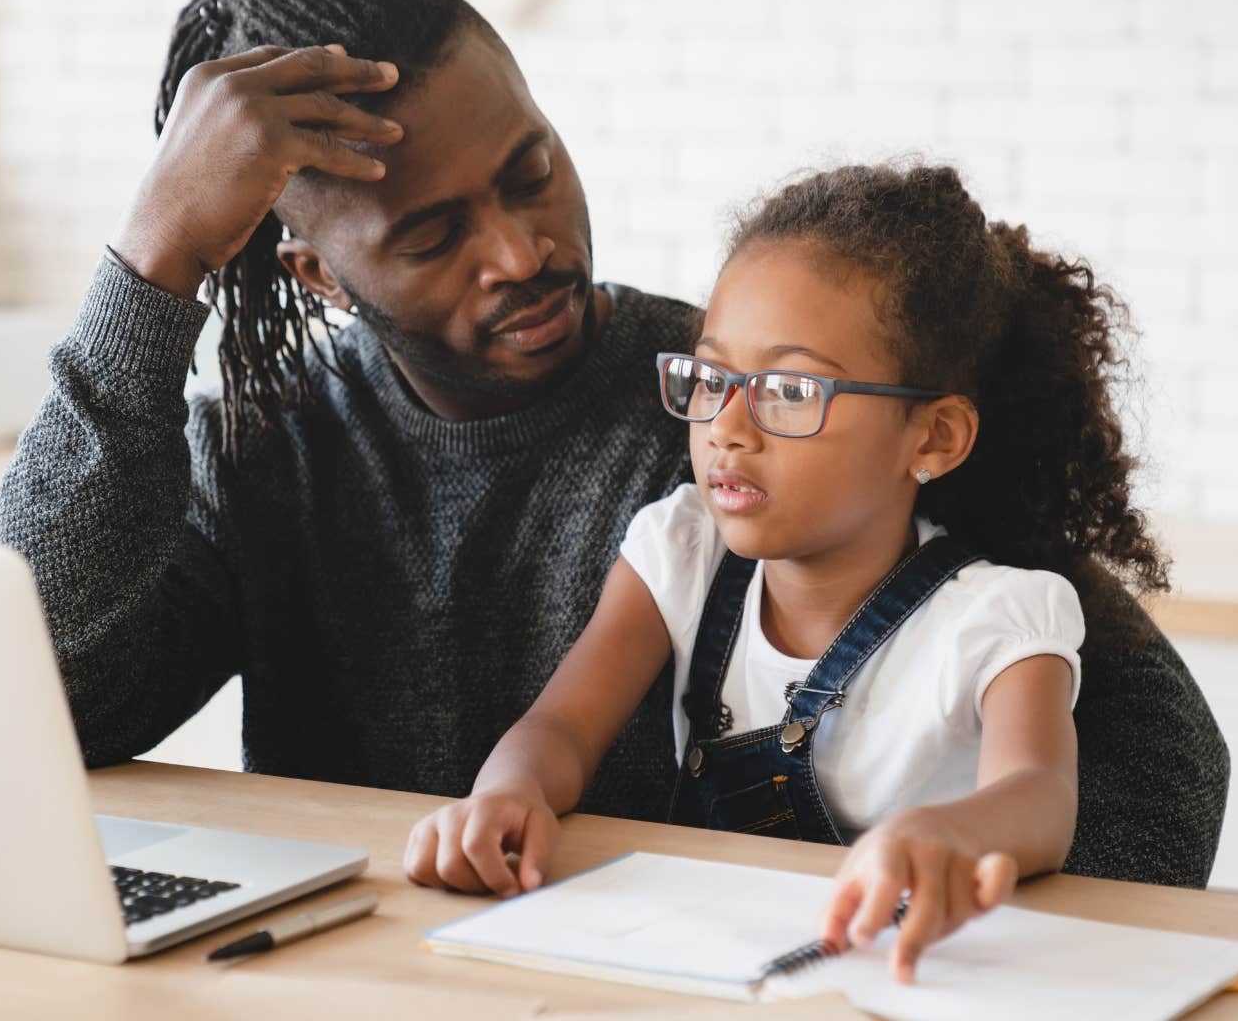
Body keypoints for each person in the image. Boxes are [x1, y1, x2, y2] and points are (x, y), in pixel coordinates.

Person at [0, 0, 1229, 888]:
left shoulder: (762, 413)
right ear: (316, 275)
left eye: (530, 171)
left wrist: (915, 886)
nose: (523, 251)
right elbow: (41, 704)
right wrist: (153, 268)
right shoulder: (268, 450)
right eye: (431, 235)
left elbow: (1162, 745)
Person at [404, 161, 1173, 981]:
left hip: (907, 975)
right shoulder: (682, 549)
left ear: (934, 438)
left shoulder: (999, 617)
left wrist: (948, 833)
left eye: (790, 389)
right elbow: (560, 728)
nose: (727, 427)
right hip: (709, 965)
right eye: (712, 377)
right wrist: (508, 792)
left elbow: (1041, 798)